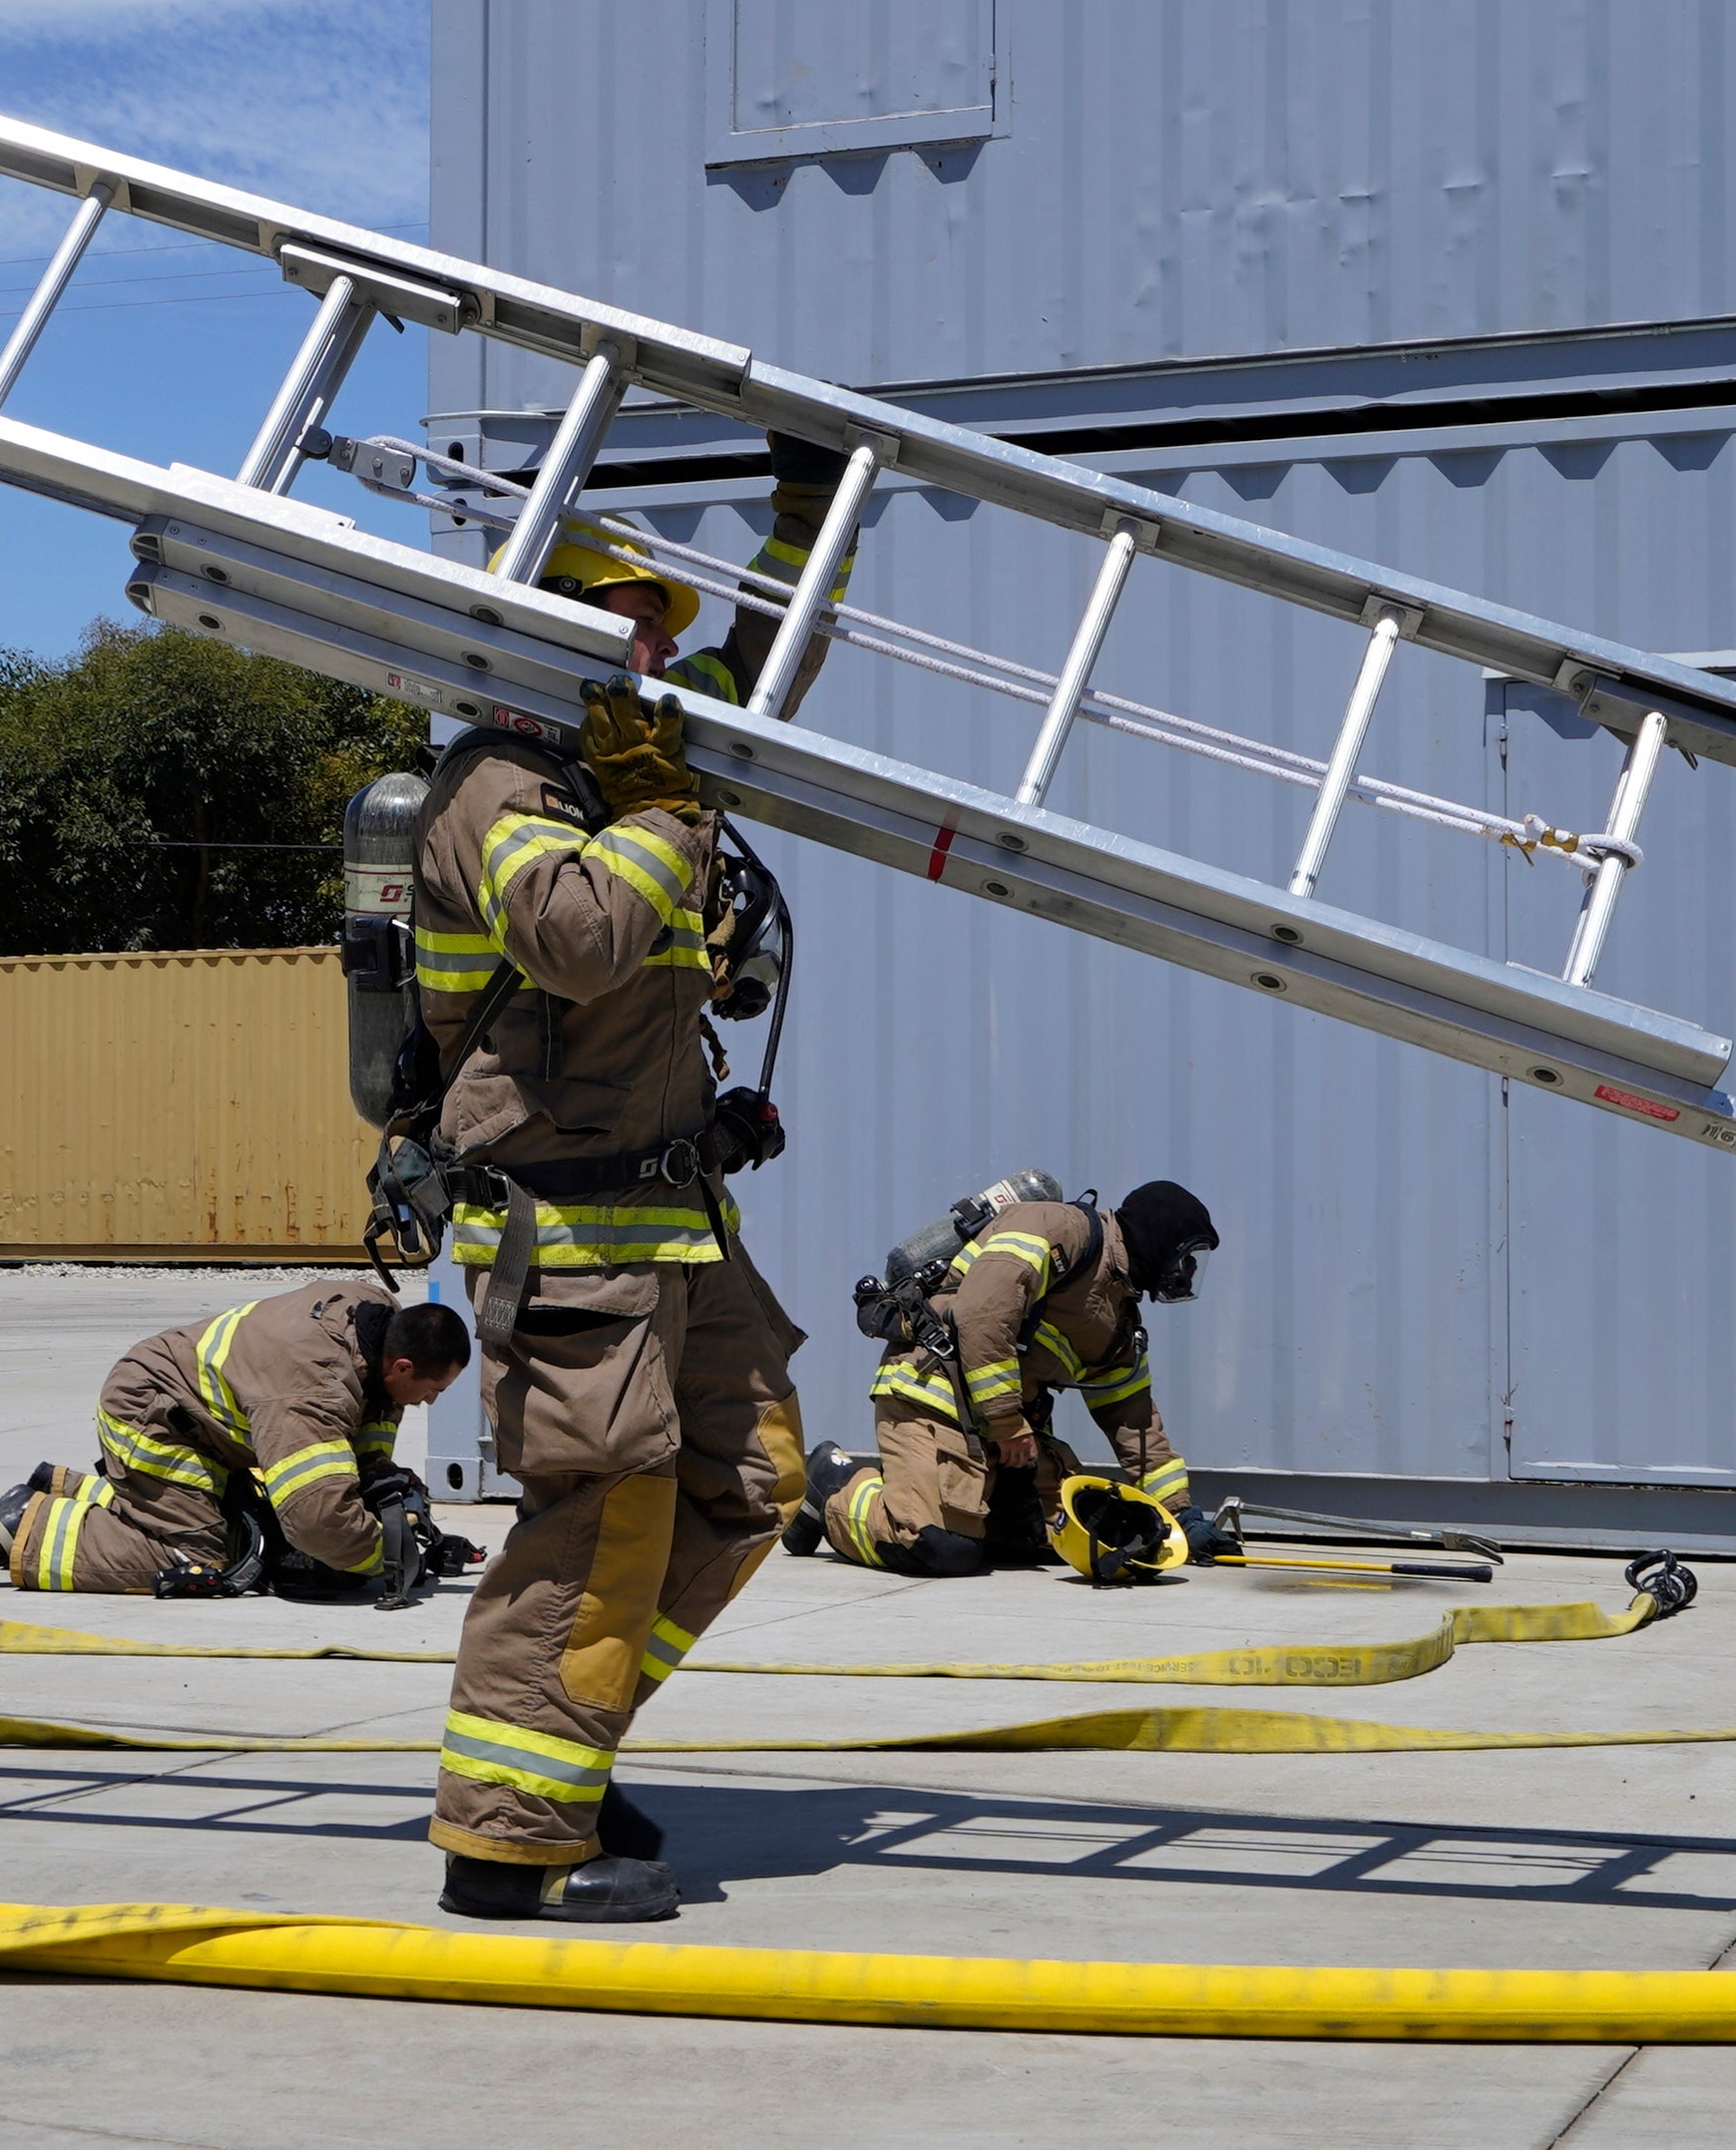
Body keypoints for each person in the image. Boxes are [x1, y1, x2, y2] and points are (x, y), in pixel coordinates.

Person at [405, 669, 808, 1926]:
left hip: (677, 1227)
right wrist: (666, 817)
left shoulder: (627, 788)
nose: (655, 651)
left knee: (753, 1480)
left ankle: (562, 1744)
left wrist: (808, 525)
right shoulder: (497, 784)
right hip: (570, 1236)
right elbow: (573, 942)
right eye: (626, 617)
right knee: (602, 1519)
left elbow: (772, 664)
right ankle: (509, 1841)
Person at [789, 1180, 1219, 1576]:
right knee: (937, 1546)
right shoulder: (1056, 1228)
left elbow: (1134, 1418)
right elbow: (983, 1316)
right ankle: (833, 1486)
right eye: (1188, 1257)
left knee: (1066, 1537)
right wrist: (1006, 1424)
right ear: (1159, 1238)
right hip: (935, 1394)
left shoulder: (1118, 1319)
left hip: (1007, 1436)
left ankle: (927, 1488)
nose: (1188, 1272)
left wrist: (1179, 1513)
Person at [0, 1281, 470, 1597]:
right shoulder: (310, 1390)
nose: (432, 1401)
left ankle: (75, 1491)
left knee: (243, 1520)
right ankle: (27, 1529)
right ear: (401, 1364)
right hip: (153, 1415)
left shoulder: (374, 1317)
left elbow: (373, 1409)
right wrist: (389, 1557)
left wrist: (377, 1474)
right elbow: (317, 1523)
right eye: (432, 1388)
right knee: (207, 1554)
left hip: (200, 1417)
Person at [520, 432, 858, 716]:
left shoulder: (669, 709)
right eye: (647, 619)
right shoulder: (503, 761)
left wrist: (815, 498)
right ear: (566, 619)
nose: (670, 646)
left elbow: (764, 673)